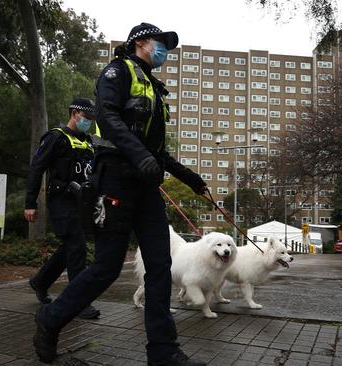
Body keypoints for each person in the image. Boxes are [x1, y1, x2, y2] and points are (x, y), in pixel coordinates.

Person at [33, 23, 207, 366]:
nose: (164, 52)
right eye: (161, 44)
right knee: (106, 268)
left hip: (145, 185)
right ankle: (50, 319)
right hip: (115, 181)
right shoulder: (117, 72)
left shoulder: (153, 88)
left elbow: (155, 149)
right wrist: (140, 156)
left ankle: (163, 350)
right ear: (141, 42)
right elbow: (109, 118)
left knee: (160, 266)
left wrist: (190, 178)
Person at [25, 97, 101, 320]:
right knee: (77, 247)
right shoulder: (55, 137)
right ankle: (78, 302)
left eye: (92, 119)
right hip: (61, 201)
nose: (89, 122)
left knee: (71, 247)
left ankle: (40, 281)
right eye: (86, 117)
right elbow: (37, 169)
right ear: (75, 113)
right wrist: (30, 203)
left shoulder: (89, 142)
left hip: (82, 203)